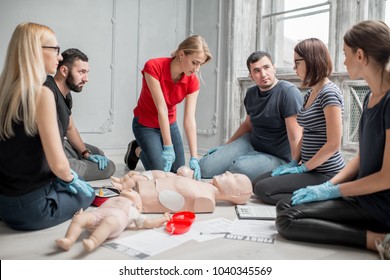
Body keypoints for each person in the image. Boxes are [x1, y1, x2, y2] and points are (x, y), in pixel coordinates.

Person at [275, 20, 390, 260]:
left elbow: (386, 177)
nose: (344, 61)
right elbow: (362, 156)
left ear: (360, 55)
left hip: (381, 204)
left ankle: (379, 241)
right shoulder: (370, 95)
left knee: (287, 218)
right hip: (362, 195)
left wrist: (334, 190)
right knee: (285, 206)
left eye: (346, 54)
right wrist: (326, 187)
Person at [0, 22, 95, 231]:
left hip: (5, 202)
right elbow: (59, 165)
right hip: (31, 210)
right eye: (56, 50)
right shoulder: (42, 93)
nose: (60, 57)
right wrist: (73, 181)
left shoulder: (4, 92)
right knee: (88, 195)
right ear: (35, 51)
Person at [252, 38, 345, 205]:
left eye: (297, 63)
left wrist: (304, 168)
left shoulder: (329, 93)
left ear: (311, 61)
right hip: (309, 168)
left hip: (325, 172)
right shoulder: (311, 93)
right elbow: (306, 132)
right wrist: (294, 162)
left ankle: (321, 199)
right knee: (256, 183)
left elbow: (334, 144)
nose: (294, 68)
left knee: (263, 189)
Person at [199, 51, 304, 181]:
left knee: (238, 168)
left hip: (277, 155)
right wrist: (226, 147)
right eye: (257, 71)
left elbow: (295, 136)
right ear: (251, 76)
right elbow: (248, 124)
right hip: (251, 143)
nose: (263, 74)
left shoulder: (288, 92)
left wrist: (296, 164)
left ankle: (246, 162)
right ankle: (245, 159)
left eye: (266, 67)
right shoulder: (251, 93)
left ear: (274, 68)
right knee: (205, 167)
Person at [124, 35, 212, 180]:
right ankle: (137, 150)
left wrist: (194, 157)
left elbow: (189, 119)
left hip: (170, 124)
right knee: (161, 174)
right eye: (194, 63)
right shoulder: (153, 67)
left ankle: (146, 148)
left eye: (200, 65)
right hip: (145, 124)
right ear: (181, 54)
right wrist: (168, 147)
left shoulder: (192, 82)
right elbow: (162, 108)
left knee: (178, 172)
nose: (196, 69)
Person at [44, 48, 116, 181]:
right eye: (81, 72)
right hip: (46, 152)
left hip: (61, 144)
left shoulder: (66, 94)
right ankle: (67, 166)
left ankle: (75, 159)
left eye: (87, 72)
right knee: (109, 167)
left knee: (97, 153)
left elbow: (70, 128)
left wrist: (85, 153)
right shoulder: (47, 92)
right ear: (64, 71)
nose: (86, 79)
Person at [56, 189, 170, 251]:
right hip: (97, 216)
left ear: (139, 206)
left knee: (109, 221)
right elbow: (96, 210)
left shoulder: (133, 209)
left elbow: (149, 223)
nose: (129, 189)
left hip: (114, 221)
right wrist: (82, 215)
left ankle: (93, 241)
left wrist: (163, 219)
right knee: (79, 218)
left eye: (133, 191)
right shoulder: (112, 199)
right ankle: (69, 240)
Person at [111, 167, 253, 213]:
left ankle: (122, 188)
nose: (228, 172)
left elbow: (171, 199)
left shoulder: (206, 200)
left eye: (234, 177)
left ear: (236, 194)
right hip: (149, 185)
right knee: (136, 177)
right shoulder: (203, 186)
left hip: (143, 195)